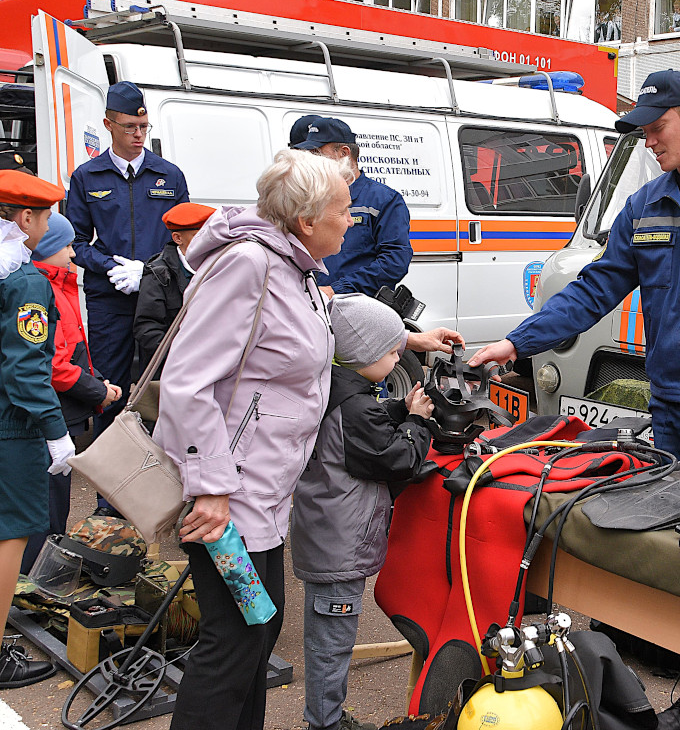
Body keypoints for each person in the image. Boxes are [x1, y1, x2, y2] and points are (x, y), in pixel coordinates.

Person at [470, 69, 680, 730]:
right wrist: (517, 345)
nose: (648, 140)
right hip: (677, 416)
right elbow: (594, 289)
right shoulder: (645, 208)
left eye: (655, 127)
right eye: (642, 130)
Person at [154, 149, 353, 730]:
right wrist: (212, 488)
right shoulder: (250, 265)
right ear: (307, 221)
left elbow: (315, 331)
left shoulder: (296, 267)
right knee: (235, 645)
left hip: (260, 494)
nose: (352, 218)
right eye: (343, 209)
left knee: (257, 636)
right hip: (228, 499)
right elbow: (187, 382)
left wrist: (408, 342)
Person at [291, 294, 461, 730]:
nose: (396, 358)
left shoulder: (335, 390)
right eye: (390, 352)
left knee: (325, 638)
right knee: (331, 644)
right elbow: (396, 458)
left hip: (325, 537)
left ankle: (325, 716)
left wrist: (398, 409)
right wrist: (418, 422)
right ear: (363, 356)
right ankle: (326, 723)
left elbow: (363, 428)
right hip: (340, 549)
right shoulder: (355, 408)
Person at [65, 81, 189, 450]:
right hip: (110, 299)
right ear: (108, 125)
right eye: (130, 127)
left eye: (144, 127)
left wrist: (148, 270)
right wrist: (110, 266)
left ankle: (168, 483)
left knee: (167, 386)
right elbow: (74, 242)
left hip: (160, 297)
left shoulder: (169, 175)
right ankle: (110, 494)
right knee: (110, 391)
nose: (139, 135)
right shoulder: (88, 177)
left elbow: (184, 237)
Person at [0, 169, 70, 688]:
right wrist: (54, 429)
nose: (49, 223)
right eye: (45, 215)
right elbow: (25, 370)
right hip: (11, 428)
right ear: (25, 217)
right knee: (10, 535)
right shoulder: (25, 282)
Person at [22, 213, 121, 574]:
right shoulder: (44, 288)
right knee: (47, 508)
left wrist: (96, 381)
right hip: (53, 415)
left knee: (52, 503)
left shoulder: (59, 283)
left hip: (60, 408)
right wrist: (98, 391)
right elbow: (56, 364)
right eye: (66, 246)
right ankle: (33, 583)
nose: (72, 253)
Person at [291, 116, 412, 297]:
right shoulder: (310, 197)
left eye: (317, 153)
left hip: (356, 307)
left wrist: (336, 290)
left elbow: (394, 262)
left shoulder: (384, 200)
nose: (312, 160)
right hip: (312, 304)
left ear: (344, 153)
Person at [132, 202, 216, 378]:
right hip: (176, 369)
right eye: (198, 236)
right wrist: (184, 357)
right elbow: (148, 328)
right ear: (178, 238)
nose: (207, 241)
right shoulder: (158, 274)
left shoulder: (222, 266)